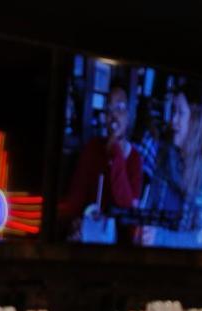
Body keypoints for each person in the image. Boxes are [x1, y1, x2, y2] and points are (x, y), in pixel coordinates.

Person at [58, 86, 144, 244]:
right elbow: (77, 195)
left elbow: (127, 206)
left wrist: (116, 154)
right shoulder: (93, 148)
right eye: (109, 109)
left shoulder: (135, 159)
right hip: (88, 232)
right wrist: (74, 222)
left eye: (119, 107)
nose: (113, 115)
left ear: (128, 115)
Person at [138, 83, 202, 249]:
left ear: (194, 120)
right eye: (173, 111)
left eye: (180, 113)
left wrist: (160, 238)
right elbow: (151, 207)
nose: (172, 120)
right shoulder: (165, 154)